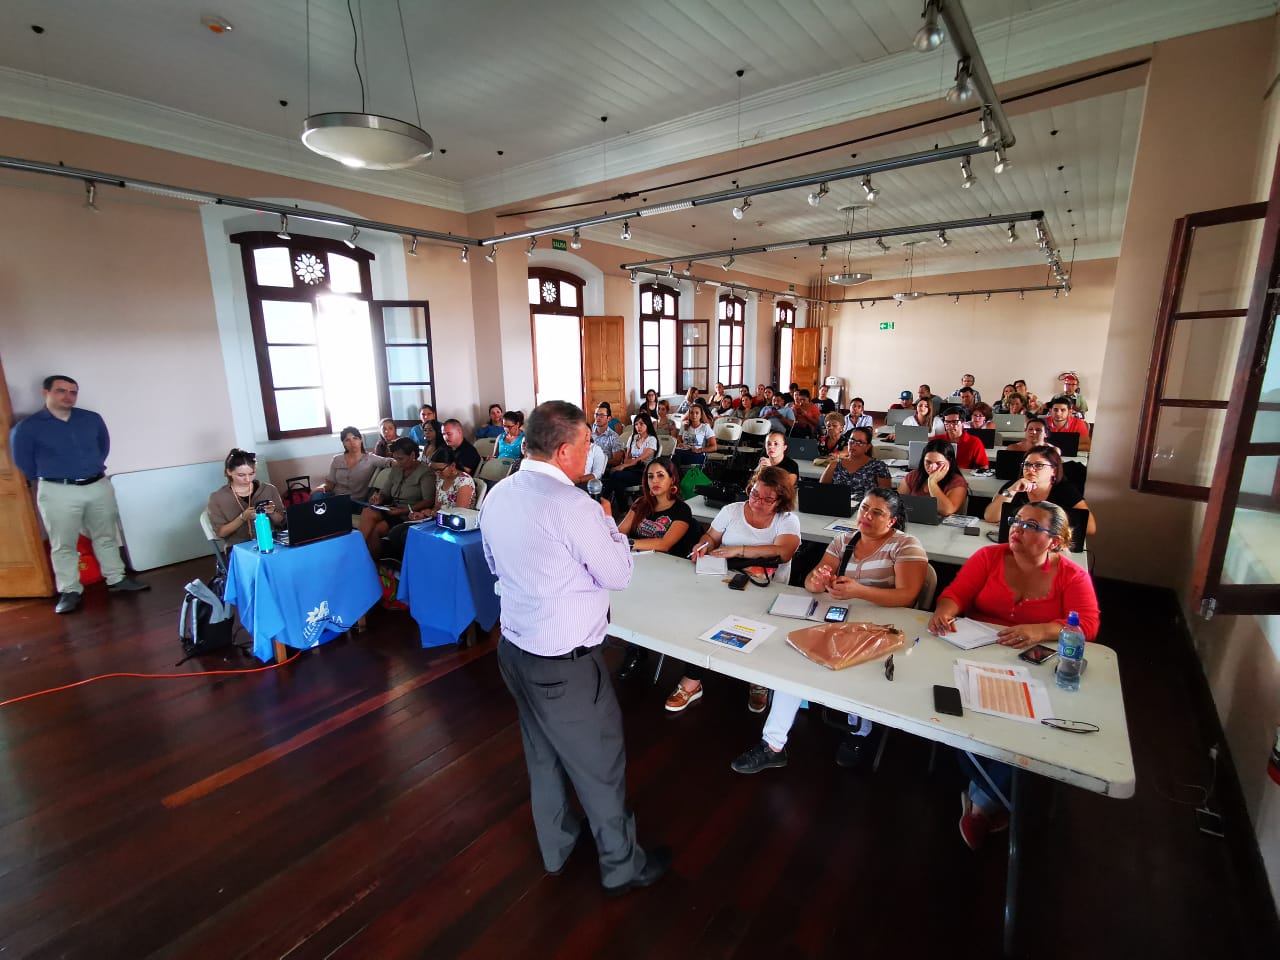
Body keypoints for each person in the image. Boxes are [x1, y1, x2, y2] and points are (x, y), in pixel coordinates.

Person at [480, 400, 670, 893]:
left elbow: (494, 564)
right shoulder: (575, 507)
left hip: (515, 648)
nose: (592, 450)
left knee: (542, 753)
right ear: (564, 450)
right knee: (599, 763)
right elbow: (618, 573)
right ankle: (622, 865)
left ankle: (557, 847)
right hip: (564, 665)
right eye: (587, 442)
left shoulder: (498, 494)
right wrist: (607, 521)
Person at [928, 502, 1099, 849]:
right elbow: (955, 594)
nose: (1017, 528)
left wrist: (1041, 629)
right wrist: (945, 612)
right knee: (961, 716)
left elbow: (1088, 625)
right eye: (1017, 521)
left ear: (1055, 540)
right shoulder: (989, 557)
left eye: (1032, 525)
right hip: (974, 653)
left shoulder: (1071, 575)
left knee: (1028, 727)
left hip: (1031, 664)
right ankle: (994, 800)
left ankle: (981, 799)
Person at [730, 488, 928, 774]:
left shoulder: (906, 545)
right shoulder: (844, 540)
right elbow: (812, 583)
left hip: (880, 629)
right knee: (794, 660)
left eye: (877, 513)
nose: (866, 516)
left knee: (854, 665)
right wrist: (818, 579)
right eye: (864, 508)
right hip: (840, 620)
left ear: (892, 521)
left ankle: (858, 732)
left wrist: (860, 591)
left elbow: (907, 596)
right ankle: (773, 745)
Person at [10, 375, 150, 613]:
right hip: (57, 490)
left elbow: (102, 448)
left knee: (106, 534)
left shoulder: (90, 419)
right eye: (61, 391)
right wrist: (56, 474)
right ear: (46, 393)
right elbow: (24, 463)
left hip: (96, 485)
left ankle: (116, 578)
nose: (68, 396)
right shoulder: (28, 427)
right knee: (63, 542)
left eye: (73, 392)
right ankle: (70, 590)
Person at [669, 468, 801, 714]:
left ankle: (758, 680)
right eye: (754, 494)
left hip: (767, 591)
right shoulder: (732, 511)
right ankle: (692, 679)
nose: (757, 502)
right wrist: (703, 545)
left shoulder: (787, 520)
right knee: (700, 620)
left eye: (767, 499)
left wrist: (738, 550)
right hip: (725, 583)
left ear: (780, 501)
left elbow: (784, 552)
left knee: (762, 629)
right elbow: (711, 537)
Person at [615, 457, 702, 681]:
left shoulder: (681, 510)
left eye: (661, 476)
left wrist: (630, 544)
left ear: (672, 479)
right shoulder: (640, 503)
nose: (654, 481)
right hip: (638, 566)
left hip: (667, 573)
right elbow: (620, 531)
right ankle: (633, 644)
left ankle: (636, 648)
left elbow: (665, 544)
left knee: (639, 597)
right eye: (650, 476)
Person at [983, 444, 1096, 536]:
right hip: (1015, 539)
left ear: (1054, 471)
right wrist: (1012, 491)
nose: (1030, 469)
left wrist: (1047, 528)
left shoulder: (1065, 491)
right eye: (1027, 464)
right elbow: (990, 517)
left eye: (1038, 465)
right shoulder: (1014, 486)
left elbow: (1090, 528)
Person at [357, 438, 434, 558]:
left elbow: (428, 501)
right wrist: (379, 498)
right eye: (395, 458)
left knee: (376, 530)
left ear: (412, 455)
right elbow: (385, 491)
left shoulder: (425, 472)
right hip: (392, 509)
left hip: (410, 513)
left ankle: (371, 561)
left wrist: (403, 510)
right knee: (368, 512)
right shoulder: (397, 469)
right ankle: (356, 551)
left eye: (401, 458)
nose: (398, 462)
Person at [207, 446, 286, 546]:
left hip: (270, 541)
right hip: (238, 547)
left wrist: (272, 512)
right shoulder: (217, 498)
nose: (248, 479)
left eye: (251, 474)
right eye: (241, 475)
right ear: (229, 472)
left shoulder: (269, 489)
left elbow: (281, 521)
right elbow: (221, 533)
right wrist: (242, 518)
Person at [315, 426, 390, 508]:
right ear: (344, 444)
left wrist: (398, 460)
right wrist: (320, 488)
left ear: (361, 440)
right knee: (316, 496)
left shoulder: (371, 458)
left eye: (355, 438)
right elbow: (330, 483)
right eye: (347, 440)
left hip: (356, 501)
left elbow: (388, 462)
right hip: (336, 498)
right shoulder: (337, 459)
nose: (352, 442)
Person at [898, 438, 968, 516]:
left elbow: (946, 510)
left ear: (949, 462)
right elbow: (897, 504)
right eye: (928, 462)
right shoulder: (913, 476)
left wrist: (932, 483)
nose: (932, 467)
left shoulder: (957, 481)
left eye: (938, 463)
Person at [603, 411, 658, 510]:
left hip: (643, 471)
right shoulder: (633, 438)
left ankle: (601, 502)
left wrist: (623, 466)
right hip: (631, 469)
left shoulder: (651, 439)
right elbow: (626, 459)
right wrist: (626, 464)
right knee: (617, 481)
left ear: (647, 424)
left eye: (641, 424)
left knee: (616, 475)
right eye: (636, 424)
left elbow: (640, 459)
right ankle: (623, 509)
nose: (638, 426)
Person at [820, 426, 891, 498]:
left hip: (865, 504)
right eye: (852, 440)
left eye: (859, 442)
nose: (853, 445)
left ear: (867, 447)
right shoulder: (834, 465)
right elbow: (821, 492)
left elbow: (885, 498)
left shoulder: (878, 467)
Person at [591, 404, 625, 468]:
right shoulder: (589, 435)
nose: (598, 418)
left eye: (602, 415)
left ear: (608, 418)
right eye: (596, 414)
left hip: (605, 469)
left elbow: (616, 461)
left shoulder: (614, 437)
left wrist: (597, 461)